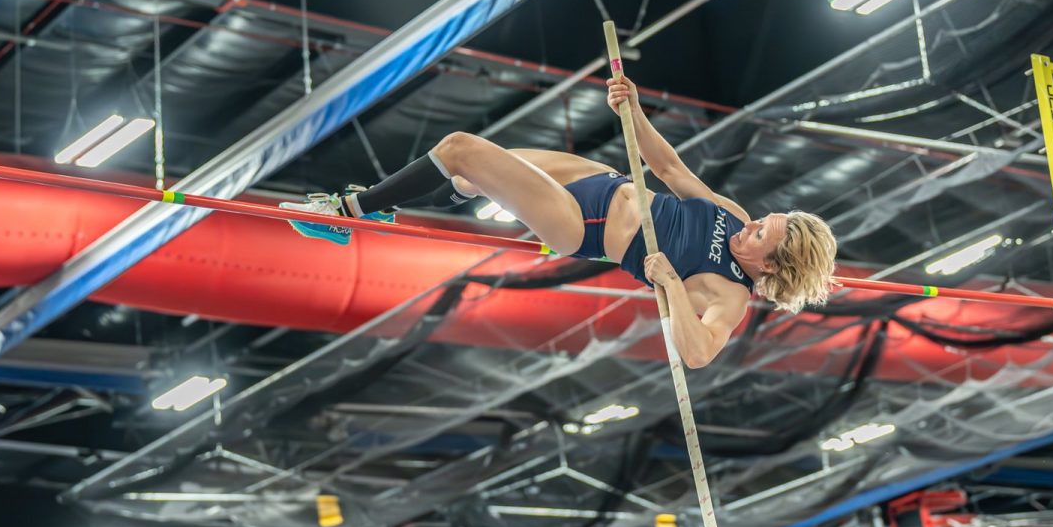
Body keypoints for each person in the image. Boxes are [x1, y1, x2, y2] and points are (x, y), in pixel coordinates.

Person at [284, 77, 837, 369]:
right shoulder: (733, 216)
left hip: (582, 224)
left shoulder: (730, 296)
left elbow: (697, 354)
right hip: (601, 180)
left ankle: (349, 213)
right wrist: (633, 113)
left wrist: (670, 285)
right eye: (760, 220)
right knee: (471, 177)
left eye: (759, 235)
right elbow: (669, 169)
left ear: (771, 265)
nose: (749, 225)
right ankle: (390, 205)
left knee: (459, 149)